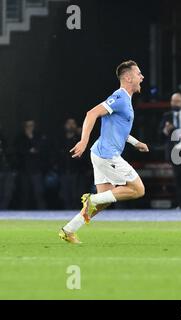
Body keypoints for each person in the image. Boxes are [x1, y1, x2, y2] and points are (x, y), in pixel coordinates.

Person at [59, 60, 149, 244]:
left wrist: (135, 142)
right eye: (139, 74)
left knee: (103, 202)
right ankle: (91, 199)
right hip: (107, 155)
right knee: (138, 189)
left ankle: (69, 230)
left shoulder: (126, 100)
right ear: (128, 77)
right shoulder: (119, 98)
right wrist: (83, 140)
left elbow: (118, 130)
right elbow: (91, 114)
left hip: (100, 154)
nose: (142, 77)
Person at [56, 118, 89, 209]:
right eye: (68, 123)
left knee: (78, 195)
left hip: (78, 172)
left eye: (73, 123)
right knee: (65, 195)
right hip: (64, 171)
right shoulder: (60, 140)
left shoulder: (81, 139)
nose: (71, 125)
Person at [15, 120, 47, 209]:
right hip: (24, 169)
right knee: (24, 192)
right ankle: (23, 212)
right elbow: (19, 150)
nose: (30, 127)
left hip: (36, 169)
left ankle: (43, 211)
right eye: (28, 126)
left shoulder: (38, 136)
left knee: (39, 193)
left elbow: (40, 149)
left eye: (31, 125)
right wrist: (29, 150)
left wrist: (31, 138)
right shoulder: (20, 137)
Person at [0, 124, 16, 209]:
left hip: (7, 169)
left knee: (7, 193)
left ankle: (3, 211)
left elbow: (11, 153)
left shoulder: (5, 139)